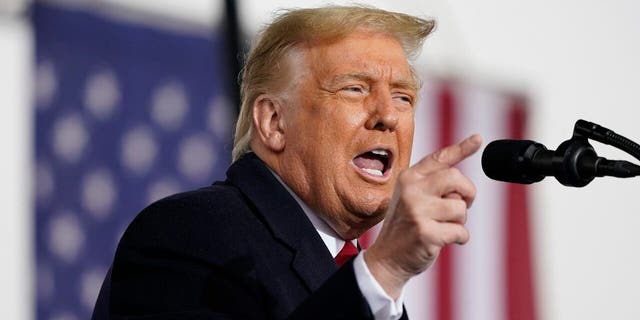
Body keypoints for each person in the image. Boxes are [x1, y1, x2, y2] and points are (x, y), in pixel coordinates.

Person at [92, 5, 482, 320]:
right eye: (354, 88)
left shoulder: (354, 275)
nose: (388, 115)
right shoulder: (189, 232)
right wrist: (383, 272)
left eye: (403, 97)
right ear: (274, 122)